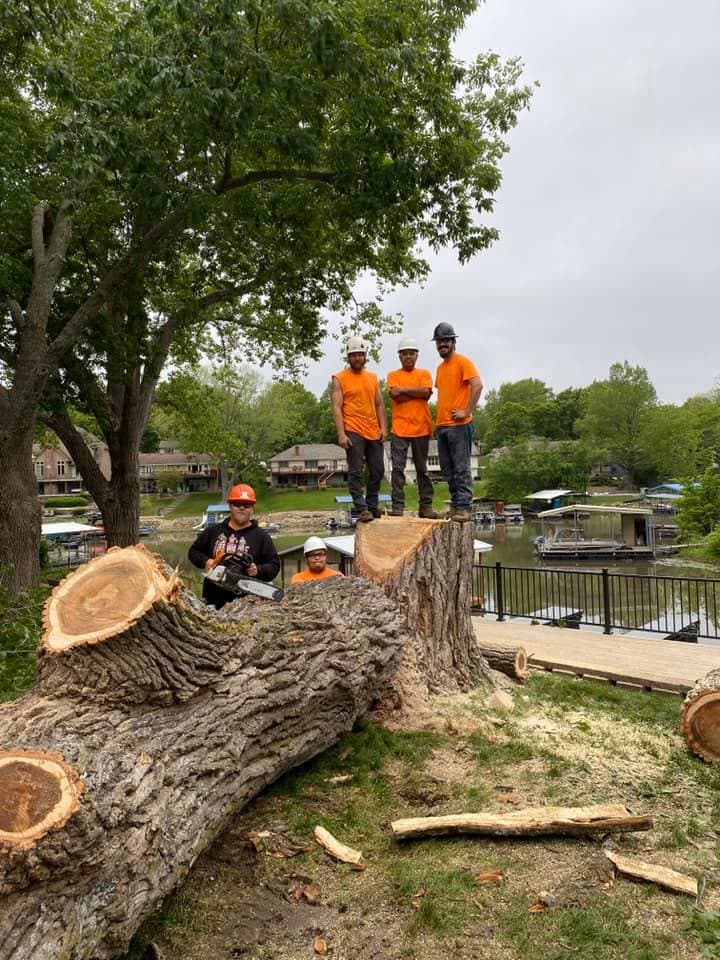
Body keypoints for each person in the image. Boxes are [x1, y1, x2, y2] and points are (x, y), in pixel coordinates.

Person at [188, 483, 280, 608]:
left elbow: (274, 565)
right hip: (213, 598)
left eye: (246, 505)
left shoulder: (261, 536)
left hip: (247, 603)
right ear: (230, 506)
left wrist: (258, 570)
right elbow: (193, 552)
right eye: (237, 504)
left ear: (252, 508)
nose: (241, 508)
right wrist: (206, 561)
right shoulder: (213, 531)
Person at [331, 335, 388, 523]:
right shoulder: (339, 378)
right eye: (354, 355)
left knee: (378, 470)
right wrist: (341, 433)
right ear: (348, 357)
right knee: (356, 471)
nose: (357, 358)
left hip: (373, 430)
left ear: (365, 356)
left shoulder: (372, 378)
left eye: (360, 354)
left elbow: (379, 404)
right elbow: (336, 407)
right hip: (353, 429)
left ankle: (372, 505)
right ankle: (361, 508)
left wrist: (384, 428)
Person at [432, 322, 483, 522]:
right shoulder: (440, 368)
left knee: (461, 468)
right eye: (439, 342)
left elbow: (477, 385)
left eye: (446, 341)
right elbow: (445, 395)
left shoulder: (463, 362)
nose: (442, 345)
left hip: (459, 426)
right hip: (443, 426)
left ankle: (464, 507)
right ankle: (455, 506)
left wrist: (466, 411)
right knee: (448, 470)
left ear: (453, 342)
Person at [386, 336, 436, 518]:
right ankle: (398, 507)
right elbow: (395, 396)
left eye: (411, 353)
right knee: (397, 469)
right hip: (399, 429)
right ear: (399, 356)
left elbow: (426, 393)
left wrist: (404, 390)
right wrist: (416, 392)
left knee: (422, 469)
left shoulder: (424, 373)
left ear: (417, 355)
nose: (408, 356)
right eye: (405, 353)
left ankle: (426, 506)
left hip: (421, 427)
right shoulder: (393, 375)